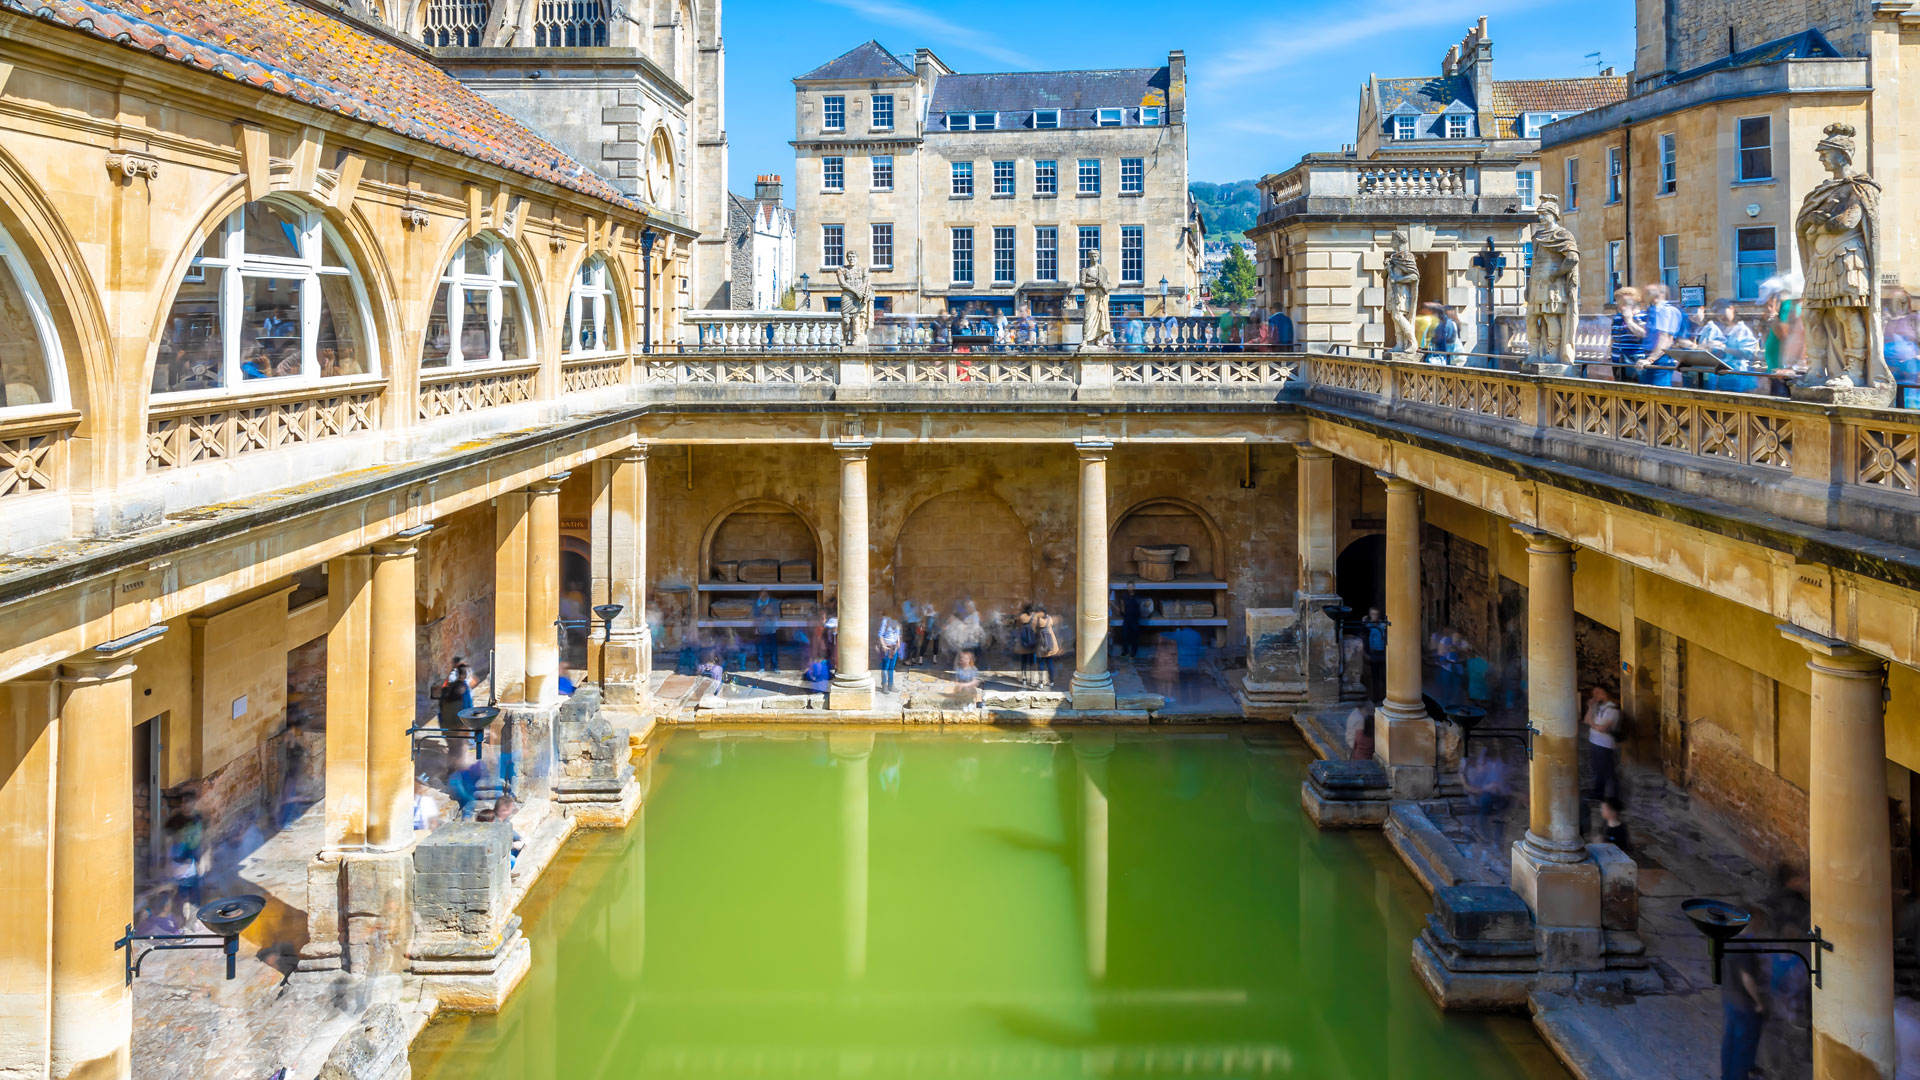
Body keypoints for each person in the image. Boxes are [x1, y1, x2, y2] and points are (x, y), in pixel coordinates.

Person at [1720, 908, 1771, 1080]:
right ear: (1752, 921)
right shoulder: (1744, 947)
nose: (1761, 924)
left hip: (1729, 998)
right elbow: (1747, 977)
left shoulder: (1729, 941)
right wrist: (1759, 1002)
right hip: (1744, 1003)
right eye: (1760, 920)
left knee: (1730, 1041)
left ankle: (1727, 1076)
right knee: (1744, 1046)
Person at [1699, 300, 1763, 392]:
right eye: (1717, 314)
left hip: (1739, 377)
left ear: (1732, 308)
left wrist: (1724, 348)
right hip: (1722, 378)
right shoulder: (1720, 330)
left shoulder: (1742, 330)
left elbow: (1748, 353)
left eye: (1722, 311)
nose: (1721, 316)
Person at [164, 793, 207, 923]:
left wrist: (204, 858)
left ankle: (194, 920)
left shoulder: (198, 818)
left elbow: (204, 838)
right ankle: (179, 923)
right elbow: (167, 841)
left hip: (194, 863)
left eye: (188, 803)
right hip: (178, 864)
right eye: (183, 803)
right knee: (179, 895)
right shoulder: (175, 821)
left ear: (194, 804)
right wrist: (167, 863)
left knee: (195, 894)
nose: (185, 806)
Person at [1637, 284, 1683, 387]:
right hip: (1652, 356)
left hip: (1661, 359)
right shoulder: (1653, 310)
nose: (1643, 296)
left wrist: (1650, 359)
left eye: (1648, 293)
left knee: (1658, 394)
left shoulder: (1663, 310)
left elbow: (1665, 339)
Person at [1463, 746, 1511, 842]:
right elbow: (1471, 788)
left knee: (1499, 815)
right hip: (1483, 795)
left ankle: (1496, 840)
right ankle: (1486, 837)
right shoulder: (1476, 769)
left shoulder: (1497, 766)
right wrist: (1487, 787)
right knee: (1484, 805)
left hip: (1498, 794)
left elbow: (1503, 784)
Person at [1584, 685, 1622, 804]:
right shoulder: (1597, 706)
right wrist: (1590, 707)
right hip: (1594, 742)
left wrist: (1592, 724)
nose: (1595, 696)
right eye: (1594, 693)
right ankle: (1598, 793)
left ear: (1605, 694)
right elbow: (1586, 720)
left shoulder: (1613, 709)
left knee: (1608, 771)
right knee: (1597, 770)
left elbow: (1602, 728)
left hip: (1605, 745)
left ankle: (1614, 798)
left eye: (1598, 693)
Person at [1606, 287, 1644, 380]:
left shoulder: (1643, 316)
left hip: (1634, 362)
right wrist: (1607, 353)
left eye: (1624, 302)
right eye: (1618, 301)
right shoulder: (1617, 318)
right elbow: (1613, 339)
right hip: (1616, 361)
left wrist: (1629, 321)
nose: (1620, 305)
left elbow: (1643, 335)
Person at [1361, 606, 1387, 704]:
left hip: (1383, 652)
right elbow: (1363, 639)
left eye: (1376, 614)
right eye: (1372, 614)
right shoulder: (1367, 626)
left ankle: (1386, 697)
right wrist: (1365, 654)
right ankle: (1376, 698)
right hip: (1373, 653)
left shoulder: (1382, 625)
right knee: (1375, 677)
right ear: (1370, 615)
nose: (1374, 616)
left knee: (1385, 676)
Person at [1032, 605, 1061, 688]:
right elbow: (1051, 623)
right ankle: (1051, 681)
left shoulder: (1037, 620)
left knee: (1040, 664)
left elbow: (1033, 628)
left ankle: (1040, 683)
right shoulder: (1049, 618)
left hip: (1041, 645)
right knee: (1050, 663)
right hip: (1050, 644)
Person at [751, 589, 779, 672]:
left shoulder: (773, 602)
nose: (763, 594)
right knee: (760, 650)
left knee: (773, 649)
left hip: (771, 629)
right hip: (760, 630)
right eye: (761, 593)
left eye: (764, 592)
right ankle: (761, 667)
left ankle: (774, 667)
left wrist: (770, 613)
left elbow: (777, 616)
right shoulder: (755, 603)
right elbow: (753, 616)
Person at [1117, 583, 1146, 661]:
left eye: (1132, 586)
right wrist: (1122, 610)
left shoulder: (1138, 596)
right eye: (1129, 587)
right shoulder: (1124, 596)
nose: (1130, 588)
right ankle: (1125, 651)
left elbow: (1143, 605)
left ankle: (1133, 653)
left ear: (1134, 587)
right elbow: (1122, 605)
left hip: (1135, 619)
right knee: (1124, 636)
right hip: (1126, 618)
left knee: (1135, 637)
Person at [876, 611, 902, 694]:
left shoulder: (896, 621)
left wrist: (898, 642)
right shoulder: (885, 621)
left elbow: (897, 632)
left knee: (892, 667)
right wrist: (883, 645)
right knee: (885, 667)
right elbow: (880, 634)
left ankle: (891, 685)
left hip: (894, 647)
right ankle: (884, 685)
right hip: (887, 646)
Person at [1012, 603, 1037, 686]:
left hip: (1023, 643)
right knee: (1032, 662)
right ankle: (1033, 680)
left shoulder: (1021, 617)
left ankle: (1024, 679)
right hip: (1032, 644)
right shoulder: (1034, 617)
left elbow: (1017, 627)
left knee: (1024, 662)